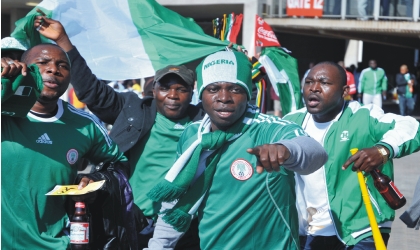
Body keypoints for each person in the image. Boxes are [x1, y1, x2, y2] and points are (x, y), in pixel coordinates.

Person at [34, 16, 203, 249]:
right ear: (154, 91)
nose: (172, 95)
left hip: (184, 227)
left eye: (181, 89)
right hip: (133, 223)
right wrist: (63, 41)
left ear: (191, 93)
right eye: (165, 88)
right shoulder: (134, 110)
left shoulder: (204, 122)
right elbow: (92, 91)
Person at [147, 50, 328, 249]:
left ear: (248, 94)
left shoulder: (269, 129)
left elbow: (315, 153)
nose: (224, 97)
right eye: (214, 88)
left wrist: (287, 149)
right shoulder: (193, 136)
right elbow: (176, 199)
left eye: (234, 89)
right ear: (201, 95)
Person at [1, 44, 128, 249]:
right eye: (42, 63)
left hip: (60, 243)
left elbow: (118, 164)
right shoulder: (4, 112)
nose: (53, 69)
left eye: (62, 65)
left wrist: (94, 180)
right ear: (24, 68)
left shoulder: (85, 124)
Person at [283, 61, 420, 249]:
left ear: (344, 90)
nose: (314, 88)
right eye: (308, 82)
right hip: (307, 231)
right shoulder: (290, 122)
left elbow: (413, 127)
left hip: (362, 228)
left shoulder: (363, 116)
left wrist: (382, 150)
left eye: (324, 82)